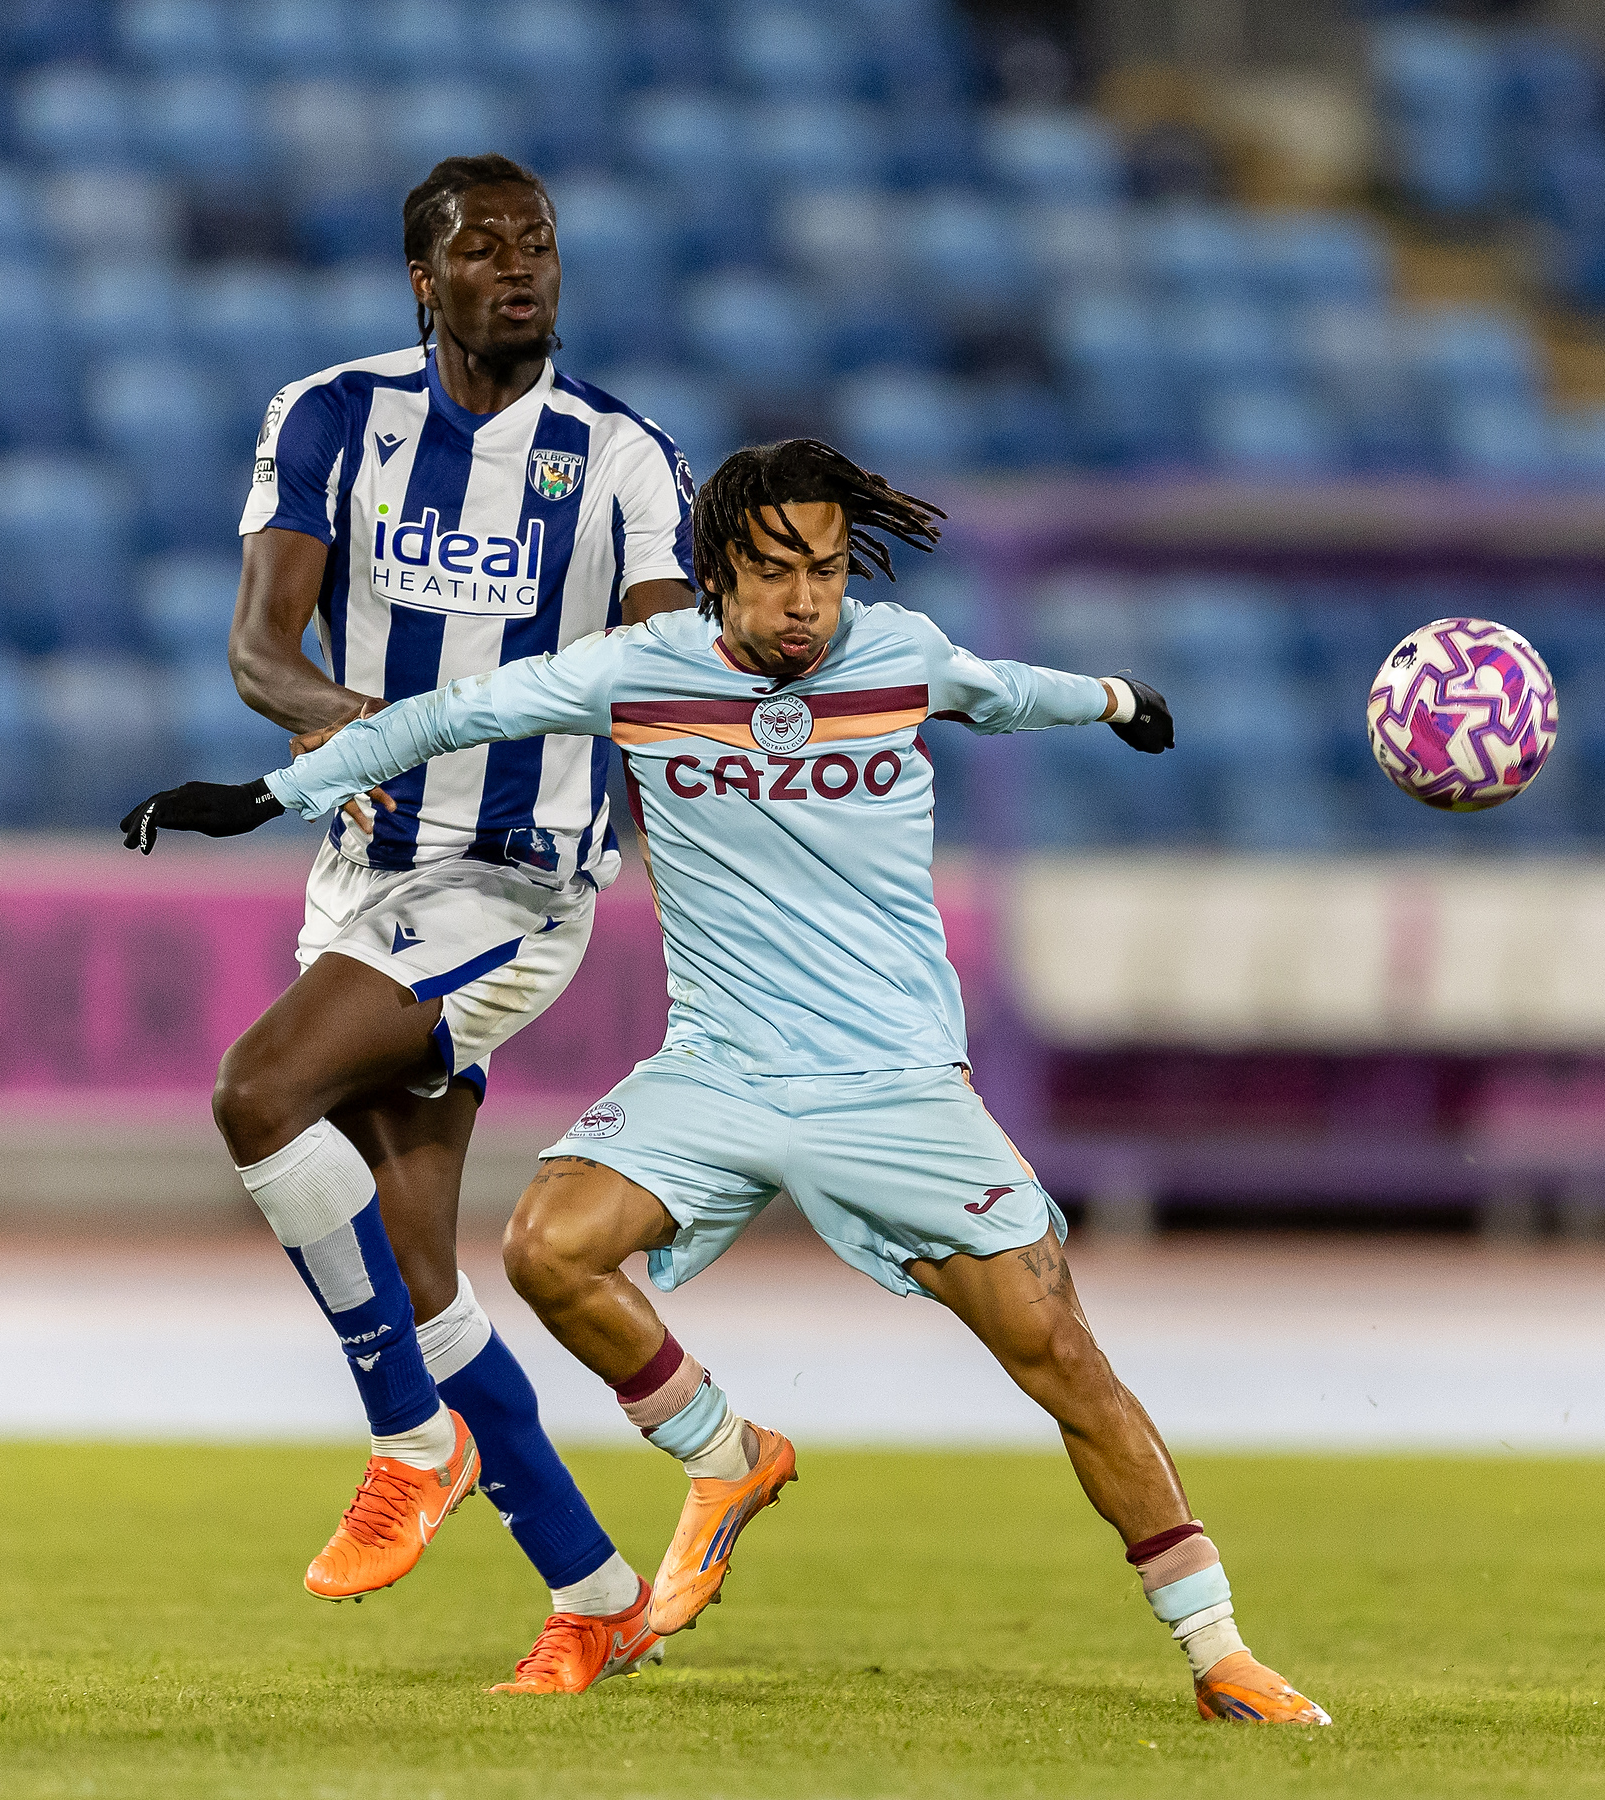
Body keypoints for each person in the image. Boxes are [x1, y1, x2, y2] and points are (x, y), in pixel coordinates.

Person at [123, 440, 1332, 1726]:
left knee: (1065, 1363)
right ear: (714, 577)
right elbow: (449, 717)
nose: (806, 599)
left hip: (896, 1086)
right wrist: (269, 791)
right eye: (773, 572)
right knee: (550, 1246)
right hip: (721, 1070)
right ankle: (727, 1453)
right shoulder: (641, 674)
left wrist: (1115, 697)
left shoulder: (899, 653)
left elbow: (1008, 689)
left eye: (822, 569)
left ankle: (1219, 1653)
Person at [202, 151, 695, 1694]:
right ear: (425, 279)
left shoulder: (619, 458)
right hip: (362, 877)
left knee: (258, 1092)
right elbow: (258, 655)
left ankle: (411, 1442)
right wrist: (368, 728)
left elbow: (665, 684)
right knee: (424, 1277)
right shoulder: (331, 419)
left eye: (538, 244)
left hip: (512, 883)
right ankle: (599, 1591)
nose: (520, 268)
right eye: (484, 249)